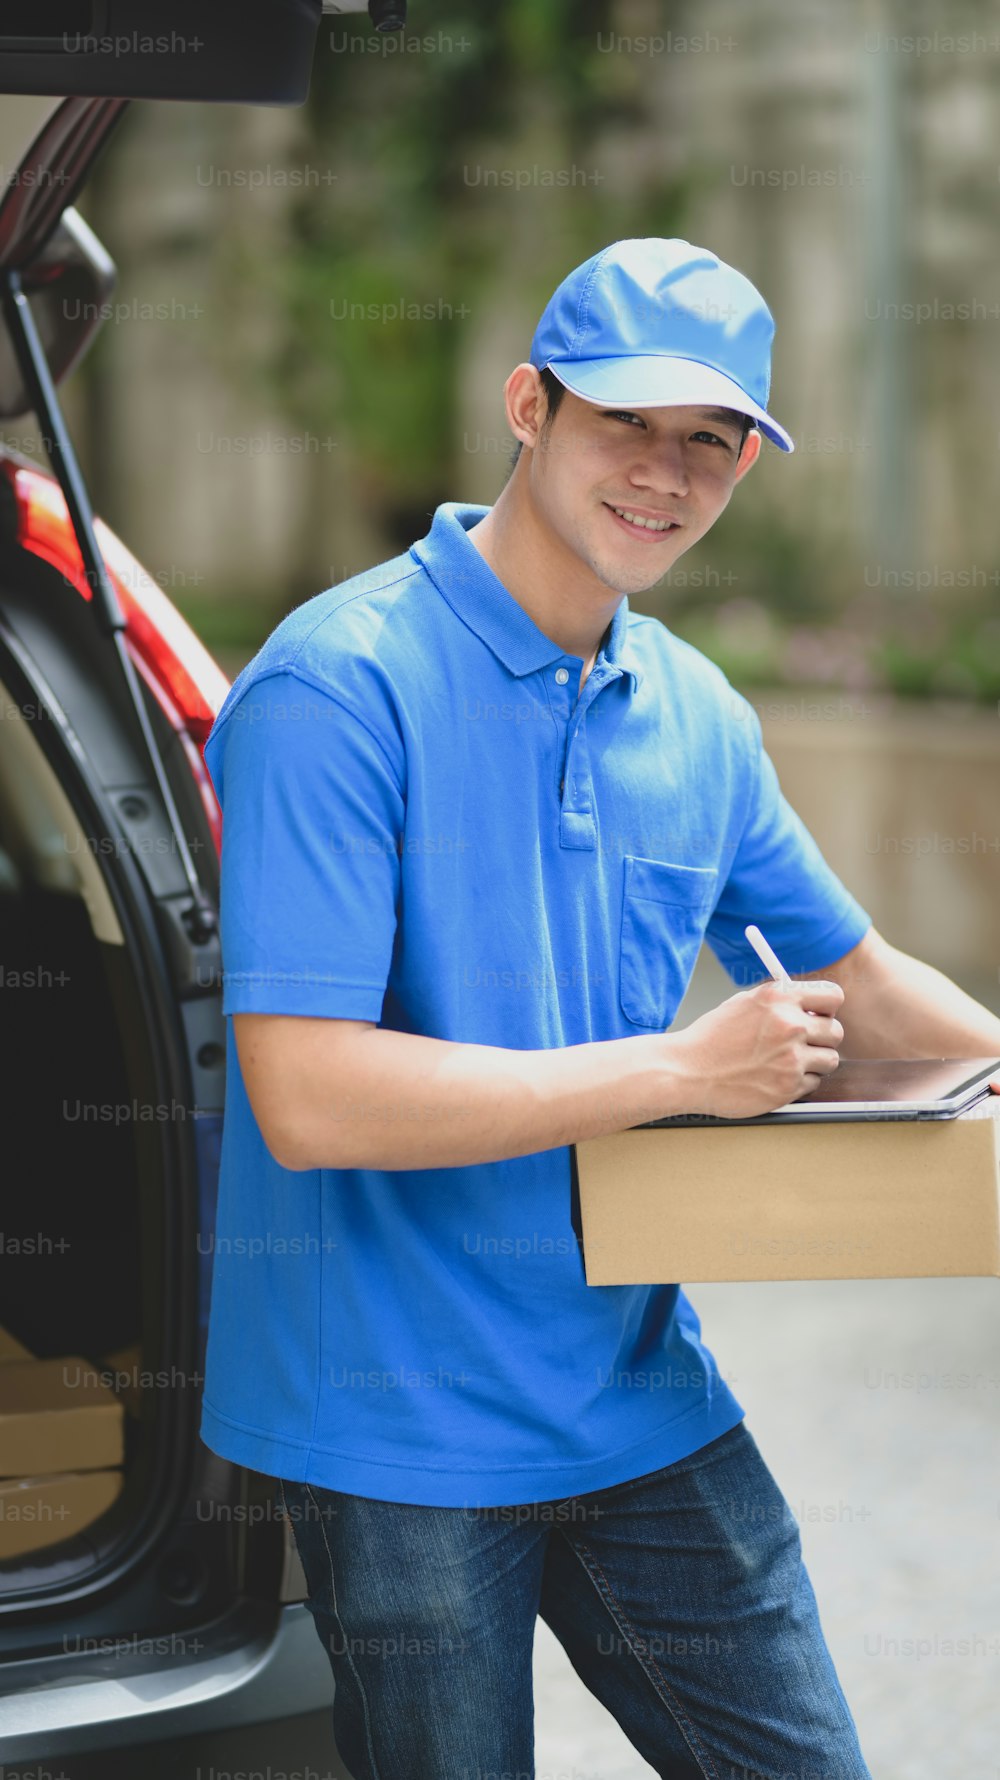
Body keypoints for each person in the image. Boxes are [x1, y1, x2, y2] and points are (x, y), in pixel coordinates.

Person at [198, 238, 1000, 1780]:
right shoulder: (335, 688)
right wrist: (682, 1069)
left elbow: (856, 975)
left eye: (713, 442)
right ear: (527, 406)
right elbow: (307, 1097)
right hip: (396, 1428)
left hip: (637, 1396)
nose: (668, 473)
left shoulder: (697, 711)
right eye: (628, 421)